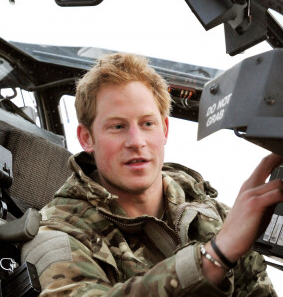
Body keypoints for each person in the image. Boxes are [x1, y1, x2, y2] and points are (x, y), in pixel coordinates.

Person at [21, 53, 283, 296]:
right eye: (117, 126)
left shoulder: (211, 212)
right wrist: (213, 259)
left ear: (165, 129)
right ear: (87, 138)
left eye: (147, 123)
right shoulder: (56, 235)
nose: (136, 141)